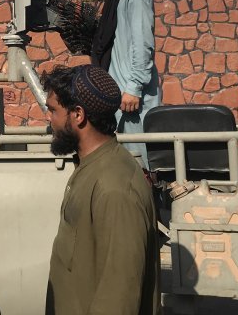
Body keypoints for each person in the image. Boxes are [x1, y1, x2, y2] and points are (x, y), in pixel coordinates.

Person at [43, 64, 159, 315]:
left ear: (78, 114)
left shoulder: (115, 189)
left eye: (53, 110)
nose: (48, 119)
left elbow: (119, 297)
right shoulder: (92, 167)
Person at [90, 0, 160, 168]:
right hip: (118, 91)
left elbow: (142, 44)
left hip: (131, 97)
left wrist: (134, 88)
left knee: (139, 164)